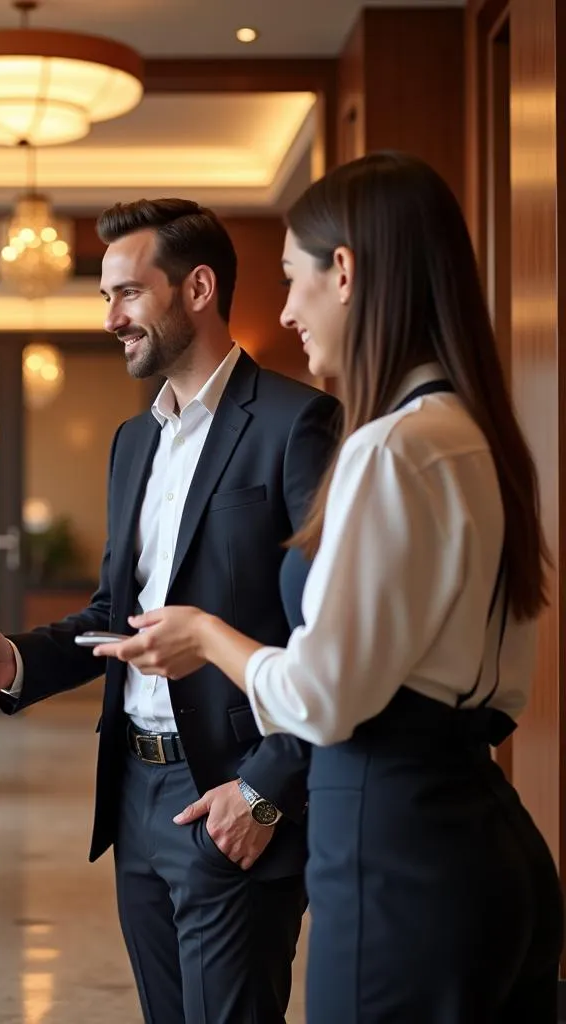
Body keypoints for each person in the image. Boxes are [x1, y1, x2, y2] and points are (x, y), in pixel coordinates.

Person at [94, 153, 564, 1023]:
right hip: (486, 828)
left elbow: (321, 696)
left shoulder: (387, 447)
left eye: (291, 278)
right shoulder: (478, 437)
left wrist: (206, 636)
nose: (283, 309)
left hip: (392, 842)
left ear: (342, 271)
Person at [0, 199, 340, 1023]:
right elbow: (113, 613)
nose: (110, 318)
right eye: (105, 297)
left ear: (197, 288)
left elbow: (329, 634)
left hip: (230, 792)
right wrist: (14, 658)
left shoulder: (295, 422)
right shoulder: (136, 443)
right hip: (132, 788)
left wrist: (265, 793)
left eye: (127, 293)